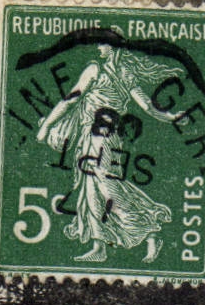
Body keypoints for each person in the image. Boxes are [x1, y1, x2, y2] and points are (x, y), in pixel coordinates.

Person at [35, 40, 184, 264]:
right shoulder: (123, 73)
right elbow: (148, 107)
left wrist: (47, 126)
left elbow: (70, 101)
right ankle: (100, 246)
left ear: (113, 47)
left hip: (100, 137)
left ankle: (149, 230)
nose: (99, 48)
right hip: (100, 137)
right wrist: (170, 116)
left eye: (103, 44)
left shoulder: (96, 70)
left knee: (105, 187)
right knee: (92, 188)